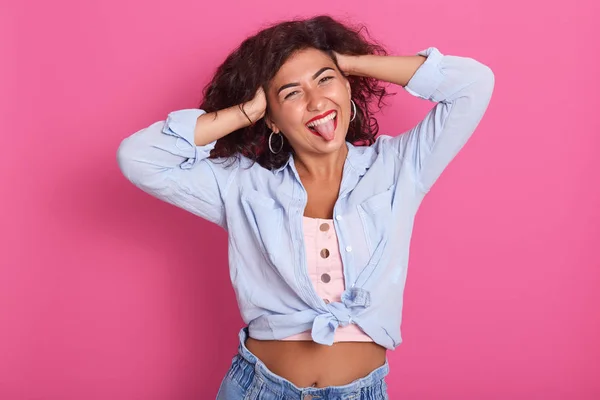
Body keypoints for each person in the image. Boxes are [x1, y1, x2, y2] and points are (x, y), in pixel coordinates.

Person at [117, 14, 494, 400]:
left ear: (348, 88)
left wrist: (348, 62)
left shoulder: (399, 167)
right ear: (273, 120)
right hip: (256, 389)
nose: (316, 101)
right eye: (291, 93)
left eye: (325, 80)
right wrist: (245, 112)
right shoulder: (243, 184)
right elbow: (138, 158)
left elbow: (474, 85)